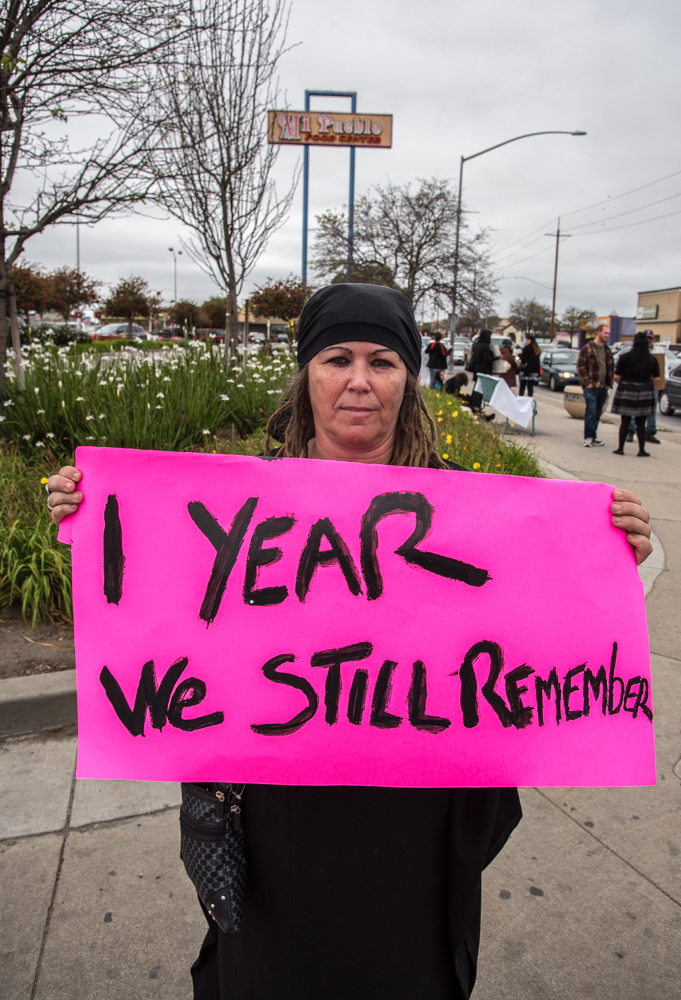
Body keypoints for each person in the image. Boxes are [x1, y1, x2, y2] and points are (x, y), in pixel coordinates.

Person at [45, 283, 653, 1000]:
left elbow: (537, 625)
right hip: (275, 811)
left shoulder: (474, 511)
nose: (359, 380)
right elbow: (163, 585)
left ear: (408, 380)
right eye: (337, 359)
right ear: (307, 375)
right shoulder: (240, 499)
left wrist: (608, 556)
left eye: (381, 362)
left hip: (419, 815)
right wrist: (86, 510)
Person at [612, 331, 659, 457]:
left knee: (625, 421)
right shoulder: (652, 359)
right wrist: (648, 384)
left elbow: (617, 377)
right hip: (645, 390)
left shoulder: (625, 357)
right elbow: (657, 379)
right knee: (641, 423)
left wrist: (624, 383)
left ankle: (620, 449)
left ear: (634, 343)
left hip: (627, 389)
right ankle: (641, 450)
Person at [577, 323, 614, 447]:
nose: (607, 335)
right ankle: (588, 437)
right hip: (591, 387)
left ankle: (593, 436)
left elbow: (611, 367)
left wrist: (609, 383)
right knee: (591, 412)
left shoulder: (607, 350)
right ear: (598, 332)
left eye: (608, 333)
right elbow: (580, 366)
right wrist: (587, 382)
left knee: (598, 413)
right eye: (605, 333)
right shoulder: (588, 348)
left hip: (603, 387)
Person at [627, 331, 661, 444]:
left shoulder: (658, 352)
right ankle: (631, 430)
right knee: (634, 408)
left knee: (651, 409)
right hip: (639, 384)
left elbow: (661, 369)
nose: (648, 340)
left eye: (650, 338)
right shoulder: (634, 353)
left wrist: (659, 382)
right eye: (646, 338)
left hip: (652, 385)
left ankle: (650, 431)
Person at [469, 328, 495, 412]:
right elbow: (486, 359)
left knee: (476, 387)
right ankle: (477, 405)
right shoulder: (485, 347)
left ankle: (473, 403)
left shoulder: (476, 345)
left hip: (477, 369)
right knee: (480, 388)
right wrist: (497, 358)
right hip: (483, 370)